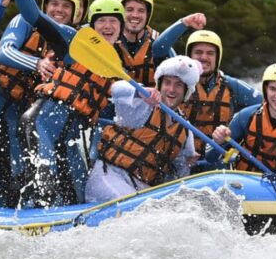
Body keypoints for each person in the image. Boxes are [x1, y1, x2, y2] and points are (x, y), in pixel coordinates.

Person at [1, 0, 119, 206]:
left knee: (76, 193)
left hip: (73, 136)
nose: (107, 27)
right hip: (41, 125)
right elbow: (34, 15)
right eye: (101, 21)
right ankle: (29, 220)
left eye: (114, 22)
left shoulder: (118, 66)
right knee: (46, 187)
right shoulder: (73, 41)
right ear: (91, 25)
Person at [0, 0, 79, 205]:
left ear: (75, 12)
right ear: (44, 7)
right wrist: (37, 63)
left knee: (17, 172)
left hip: (17, 109)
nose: (59, 10)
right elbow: (5, 52)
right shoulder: (24, 21)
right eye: (54, 4)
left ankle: (14, 214)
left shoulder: (69, 41)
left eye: (66, 6)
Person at [86, 55, 202, 202]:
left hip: (142, 188)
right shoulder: (142, 105)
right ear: (159, 85)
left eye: (178, 85)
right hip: (109, 175)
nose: (171, 89)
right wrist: (139, 92)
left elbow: (180, 173)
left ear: (186, 91)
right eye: (167, 83)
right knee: (132, 206)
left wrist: (188, 162)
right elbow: (116, 89)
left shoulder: (185, 130)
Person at [207, 63, 276, 188]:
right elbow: (210, 158)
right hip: (245, 185)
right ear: (265, 90)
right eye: (272, 89)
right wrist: (218, 141)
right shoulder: (246, 116)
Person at [182, 30, 261, 166]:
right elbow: (160, 49)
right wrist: (183, 23)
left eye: (210, 53)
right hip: (183, 162)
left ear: (217, 57)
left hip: (218, 162)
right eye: (198, 52)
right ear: (189, 56)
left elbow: (268, 105)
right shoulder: (177, 83)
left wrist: (238, 124)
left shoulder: (232, 86)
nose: (204, 57)